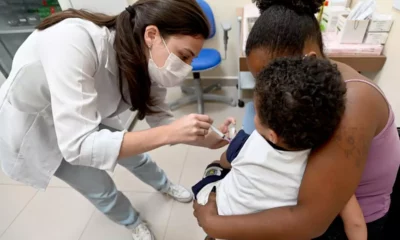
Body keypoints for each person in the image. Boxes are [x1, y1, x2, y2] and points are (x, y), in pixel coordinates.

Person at [0, 1, 234, 240]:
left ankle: (164, 185)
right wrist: (172, 133)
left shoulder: (146, 58)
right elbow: (78, 146)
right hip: (39, 128)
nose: (186, 67)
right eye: (184, 56)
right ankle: (132, 221)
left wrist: (209, 138)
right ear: (152, 34)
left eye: (190, 60)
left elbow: (161, 118)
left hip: (90, 111)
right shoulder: (73, 40)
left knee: (137, 157)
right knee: (98, 186)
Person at [193, 0, 400, 239]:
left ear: (309, 59)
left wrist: (212, 224)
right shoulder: (312, 91)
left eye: (271, 77)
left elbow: (310, 221)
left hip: (342, 220)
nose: (267, 90)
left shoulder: (353, 104)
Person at [193, 56, 366, 240]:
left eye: (257, 113)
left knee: (214, 170)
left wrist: (228, 154)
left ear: (272, 135)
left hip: (222, 221)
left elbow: (225, 161)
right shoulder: (324, 169)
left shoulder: (246, 141)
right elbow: (355, 223)